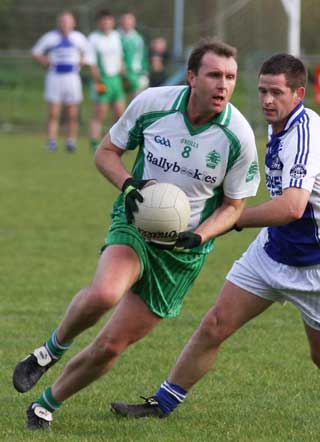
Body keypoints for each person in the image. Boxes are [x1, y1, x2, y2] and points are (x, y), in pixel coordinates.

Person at [109, 53, 320, 420]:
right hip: (270, 251)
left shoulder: (304, 133)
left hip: (319, 264)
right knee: (214, 325)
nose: (267, 100)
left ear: (298, 94)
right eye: (263, 91)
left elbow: (292, 207)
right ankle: (162, 403)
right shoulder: (274, 123)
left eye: (276, 93)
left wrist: (231, 218)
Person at [13, 39, 260, 431]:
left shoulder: (239, 138)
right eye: (214, 75)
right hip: (137, 222)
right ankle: (49, 351)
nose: (223, 85)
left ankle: (45, 406)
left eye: (230, 77)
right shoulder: (153, 103)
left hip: (182, 252)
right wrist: (129, 186)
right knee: (104, 294)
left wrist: (199, 235)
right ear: (192, 77)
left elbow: (234, 207)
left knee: (112, 344)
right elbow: (105, 152)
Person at [31, 11, 93, 152]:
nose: (65, 24)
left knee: (72, 111)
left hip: (72, 77)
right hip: (55, 76)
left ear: (73, 23)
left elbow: (89, 52)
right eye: (63, 21)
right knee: (53, 111)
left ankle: (71, 141)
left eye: (68, 22)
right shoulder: (50, 37)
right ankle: (52, 141)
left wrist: (81, 62)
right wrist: (45, 61)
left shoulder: (78, 38)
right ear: (59, 23)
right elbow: (36, 52)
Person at [88, 10, 126, 151]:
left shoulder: (116, 36)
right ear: (99, 22)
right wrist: (98, 82)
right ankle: (94, 142)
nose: (106, 23)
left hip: (116, 80)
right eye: (103, 20)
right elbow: (92, 63)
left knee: (120, 113)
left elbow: (120, 57)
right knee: (100, 113)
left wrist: (124, 74)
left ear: (112, 22)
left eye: (108, 20)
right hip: (102, 80)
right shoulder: (94, 38)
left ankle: (116, 143)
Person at [118, 12, 149, 100]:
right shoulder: (116, 36)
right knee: (120, 101)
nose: (127, 23)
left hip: (136, 73)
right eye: (125, 21)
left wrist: (145, 71)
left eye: (129, 21)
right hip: (120, 74)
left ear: (134, 23)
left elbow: (143, 56)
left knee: (137, 101)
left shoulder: (138, 38)